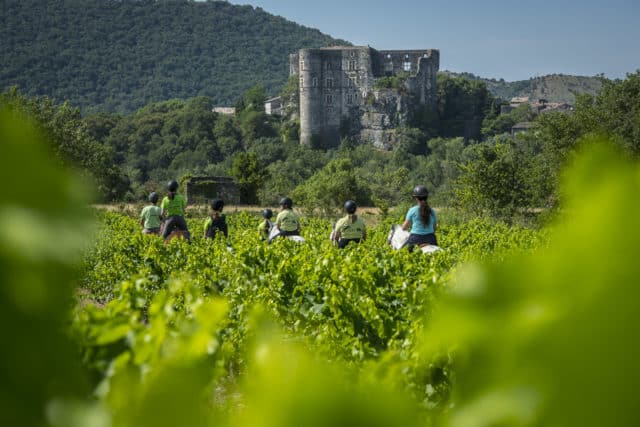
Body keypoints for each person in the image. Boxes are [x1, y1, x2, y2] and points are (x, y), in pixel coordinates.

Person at [401, 185, 438, 252]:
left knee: (407, 254)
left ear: (416, 198)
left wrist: (403, 226)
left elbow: (404, 228)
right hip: (430, 238)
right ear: (426, 197)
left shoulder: (412, 210)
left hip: (415, 238)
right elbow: (434, 228)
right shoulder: (432, 211)